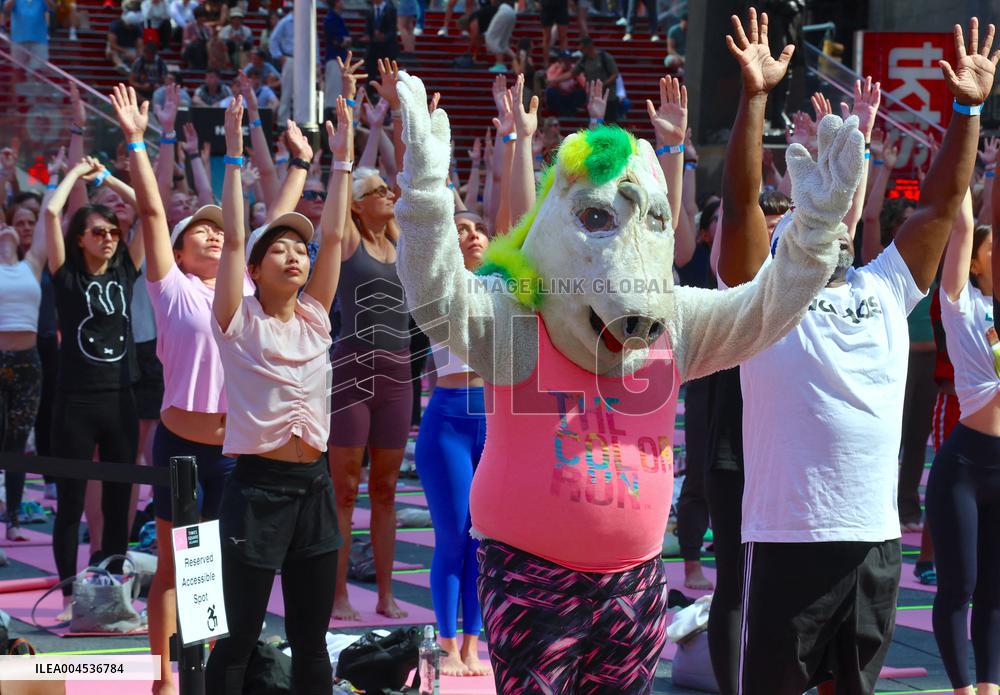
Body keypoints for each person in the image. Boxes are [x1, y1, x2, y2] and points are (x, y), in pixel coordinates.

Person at [393, 64, 864, 695]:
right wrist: (425, 199)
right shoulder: (521, 320)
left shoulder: (675, 323)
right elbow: (439, 296)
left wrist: (817, 229)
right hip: (533, 579)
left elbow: (766, 308)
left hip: (636, 584)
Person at [719, 14, 994, 694]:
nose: (823, 224)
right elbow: (743, 199)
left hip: (873, 541)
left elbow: (938, 203)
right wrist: (755, 99)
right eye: (795, 218)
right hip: (789, 537)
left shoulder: (883, 285)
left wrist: (966, 108)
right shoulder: (765, 298)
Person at [204, 94, 349, 695]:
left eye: (299, 248)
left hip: (314, 488)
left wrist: (339, 163)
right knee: (236, 640)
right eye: (280, 249)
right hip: (255, 490)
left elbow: (336, 238)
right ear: (257, 269)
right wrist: (235, 156)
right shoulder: (238, 319)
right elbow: (234, 241)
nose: (294, 255)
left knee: (313, 641)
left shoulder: (316, 317)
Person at [108, 83, 242, 695]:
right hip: (179, 448)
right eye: (203, 233)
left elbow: (253, 231)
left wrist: (245, 153)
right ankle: (162, 676)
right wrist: (139, 139)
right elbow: (154, 212)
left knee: (205, 570)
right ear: (181, 251)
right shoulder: (172, 288)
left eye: (220, 233)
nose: (214, 238)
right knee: (170, 566)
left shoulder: (240, 294)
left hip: (230, 451)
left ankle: (202, 671)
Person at [44, 151, 146, 623]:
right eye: (97, 233)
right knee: (70, 503)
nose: (107, 239)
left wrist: (109, 177)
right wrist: (74, 175)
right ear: (80, 239)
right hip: (75, 402)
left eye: (112, 232)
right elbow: (49, 212)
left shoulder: (126, 270)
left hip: (119, 399)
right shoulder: (66, 276)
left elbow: (148, 208)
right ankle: (67, 598)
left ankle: (110, 592)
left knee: (118, 500)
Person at [328, 160, 413, 621]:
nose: (389, 195)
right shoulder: (349, 238)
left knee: (385, 489)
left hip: (399, 371)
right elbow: (338, 191)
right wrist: (348, 144)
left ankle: (386, 595)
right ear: (358, 206)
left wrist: (395, 121)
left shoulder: (398, 240)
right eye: (379, 191)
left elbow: (410, 181)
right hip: (352, 368)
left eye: (387, 189)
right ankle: (338, 595)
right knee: (343, 489)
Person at [927, 180, 999, 694]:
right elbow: (965, 224)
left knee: (995, 591)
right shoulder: (961, 304)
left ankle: (991, 686)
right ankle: (961, 689)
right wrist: (969, 161)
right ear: (975, 262)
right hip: (965, 468)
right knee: (960, 587)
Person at [415, 211, 491, 677]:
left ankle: (472, 644)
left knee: (483, 540)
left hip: (495, 419)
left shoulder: (504, 290)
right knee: (453, 538)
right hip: (448, 421)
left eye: (479, 228)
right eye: (461, 229)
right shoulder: (439, 285)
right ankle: (446, 643)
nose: (472, 234)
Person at [0, 167, 49, 542]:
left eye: (20, 224)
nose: (13, 228)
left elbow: (49, 220)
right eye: (10, 222)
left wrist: (56, 179)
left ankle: (14, 520)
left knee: (17, 444)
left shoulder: (33, 264)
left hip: (28, 363)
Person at [572, 36, 620, 123]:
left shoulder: (605, 57)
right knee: (594, 122)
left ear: (589, 47)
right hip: (593, 98)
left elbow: (615, 74)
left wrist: (602, 85)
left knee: (610, 124)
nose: (581, 52)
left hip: (608, 97)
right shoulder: (583, 60)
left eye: (582, 49)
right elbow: (573, 73)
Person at [2, 0, 56, 70]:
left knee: (38, 72)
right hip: (19, 40)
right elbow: (6, 9)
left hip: (39, 40)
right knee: (18, 71)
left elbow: (53, 9)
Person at [544, 50, 585, 117]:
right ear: (560, 60)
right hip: (559, 97)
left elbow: (583, 84)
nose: (567, 62)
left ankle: (571, 112)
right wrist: (560, 69)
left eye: (569, 59)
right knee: (551, 92)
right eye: (565, 60)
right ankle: (564, 113)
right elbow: (549, 82)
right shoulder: (553, 67)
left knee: (580, 92)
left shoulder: (574, 68)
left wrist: (574, 74)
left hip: (570, 96)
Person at [364, 0, 398, 81]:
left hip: (387, 49)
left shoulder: (391, 9)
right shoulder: (370, 10)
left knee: (388, 74)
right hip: (373, 48)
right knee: (370, 73)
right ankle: (370, 91)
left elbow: (393, 29)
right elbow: (368, 28)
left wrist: (384, 36)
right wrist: (368, 36)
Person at [107, 3, 144, 74]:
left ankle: (134, 69)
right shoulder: (115, 25)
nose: (131, 27)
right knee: (111, 52)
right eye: (130, 25)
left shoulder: (137, 28)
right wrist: (124, 51)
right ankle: (120, 65)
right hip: (117, 48)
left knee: (137, 56)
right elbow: (112, 44)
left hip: (130, 48)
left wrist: (138, 56)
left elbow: (140, 45)